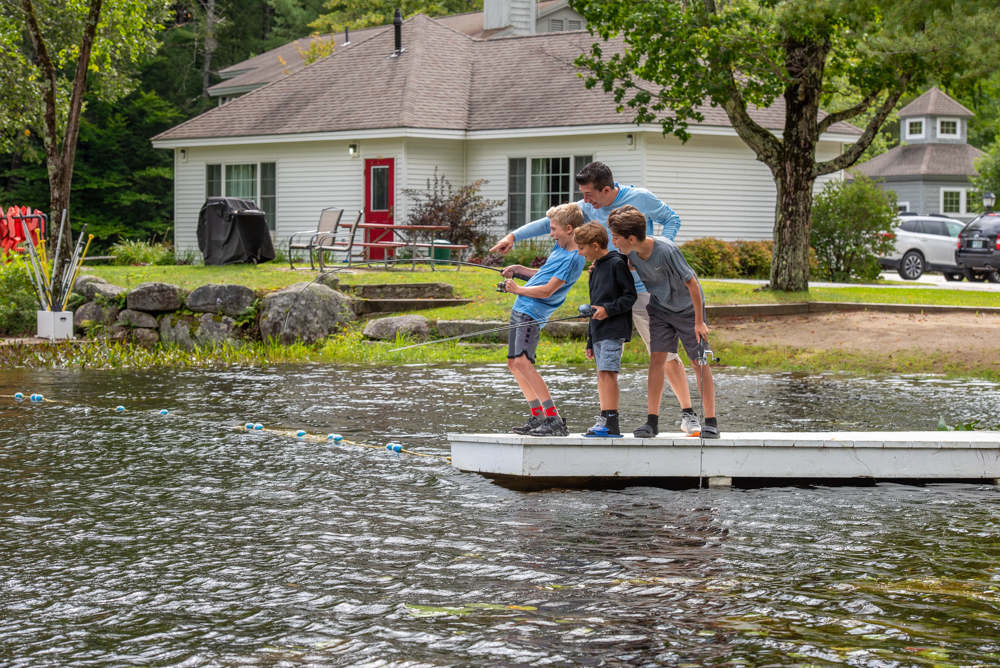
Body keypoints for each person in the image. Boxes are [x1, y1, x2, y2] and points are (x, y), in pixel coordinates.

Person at [490, 162, 694, 414]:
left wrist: (652, 253)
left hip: (642, 288)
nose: (584, 201)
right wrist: (512, 236)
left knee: (664, 354)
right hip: (608, 293)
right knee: (604, 360)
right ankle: (607, 419)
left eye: (589, 195)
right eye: (583, 194)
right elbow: (550, 223)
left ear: (606, 189)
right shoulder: (586, 207)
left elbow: (672, 219)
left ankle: (688, 413)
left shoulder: (640, 198)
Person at [608, 205, 720, 439]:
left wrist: (699, 322)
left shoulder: (667, 251)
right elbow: (633, 264)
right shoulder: (631, 252)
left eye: (616, 237)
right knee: (657, 360)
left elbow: (693, 285)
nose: (613, 242)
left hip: (688, 310)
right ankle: (652, 422)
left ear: (630, 238)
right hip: (659, 309)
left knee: (699, 362)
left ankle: (711, 422)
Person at [501, 202, 586, 437]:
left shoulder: (574, 258)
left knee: (523, 362)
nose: (550, 233)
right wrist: (519, 269)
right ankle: (537, 415)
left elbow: (548, 290)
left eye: (553, 229)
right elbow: (544, 274)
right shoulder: (560, 248)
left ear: (569, 229)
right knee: (513, 363)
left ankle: (554, 418)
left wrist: (518, 289)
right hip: (522, 307)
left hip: (533, 312)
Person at [575, 222, 637, 438]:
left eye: (582, 248)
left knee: (608, 373)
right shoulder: (595, 269)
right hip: (599, 331)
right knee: (601, 374)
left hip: (613, 328)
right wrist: (590, 341)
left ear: (594, 245)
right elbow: (594, 305)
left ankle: (612, 422)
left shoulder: (616, 264)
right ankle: (604, 418)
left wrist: (608, 311)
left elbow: (630, 296)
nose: (580, 253)